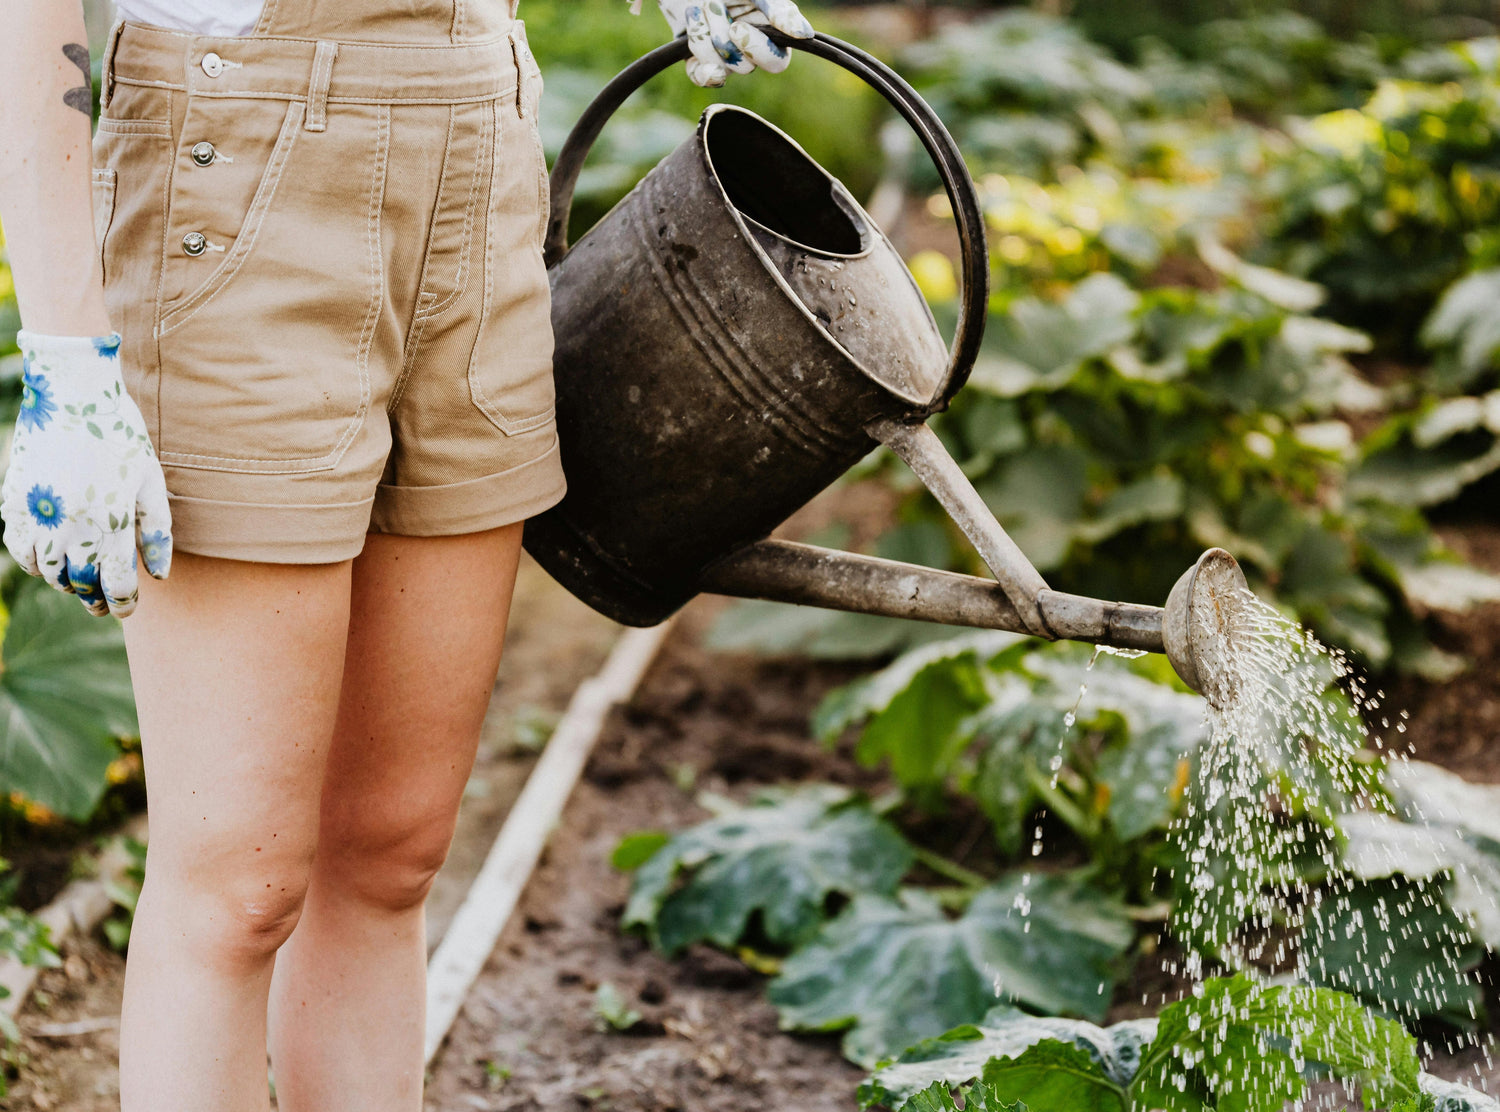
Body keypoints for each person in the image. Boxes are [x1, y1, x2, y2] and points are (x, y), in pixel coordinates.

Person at [0, 0, 813, 1107]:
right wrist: (64, 351)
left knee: (393, 853)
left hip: (479, 149)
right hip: (239, 171)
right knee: (240, 886)